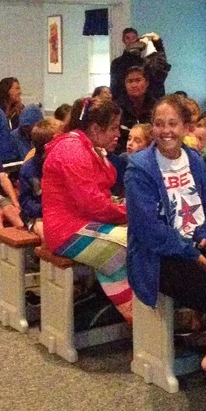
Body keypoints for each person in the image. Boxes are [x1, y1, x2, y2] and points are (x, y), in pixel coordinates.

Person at [126, 95, 206, 404]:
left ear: (185, 127)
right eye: (159, 124)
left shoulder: (195, 160)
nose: (165, 131)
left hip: (195, 242)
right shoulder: (140, 168)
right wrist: (189, 250)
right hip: (160, 256)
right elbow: (148, 232)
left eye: (173, 123)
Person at [42, 95, 134, 314]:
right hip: (67, 231)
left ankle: (135, 317)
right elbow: (94, 205)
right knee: (134, 247)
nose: (118, 134)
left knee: (141, 238)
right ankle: (142, 321)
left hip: (81, 223)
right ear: (94, 128)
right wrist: (130, 212)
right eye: (113, 128)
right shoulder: (73, 150)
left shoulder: (85, 145)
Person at [109, 27, 170, 108]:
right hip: (125, 106)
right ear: (123, 40)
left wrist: (158, 44)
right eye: (127, 38)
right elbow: (115, 88)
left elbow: (159, 75)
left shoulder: (145, 62)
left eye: (134, 38)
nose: (131, 41)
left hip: (147, 104)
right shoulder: (117, 63)